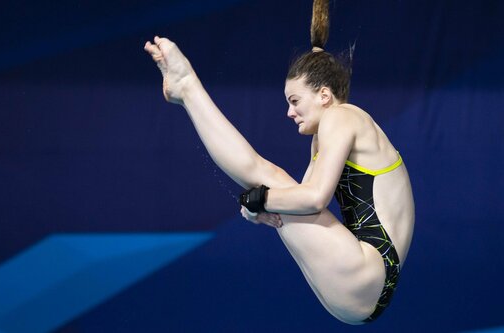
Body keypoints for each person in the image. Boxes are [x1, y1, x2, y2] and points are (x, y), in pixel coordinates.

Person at [143, 0, 414, 324]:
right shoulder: (329, 136)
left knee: (267, 176)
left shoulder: (342, 117)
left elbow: (313, 197)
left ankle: (187, 86)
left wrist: (260, 199)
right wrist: (265, 204)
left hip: (367, 272)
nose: (289, 112)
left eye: (295, 101)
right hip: (363, 288)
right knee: (270, 181)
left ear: (324, 96)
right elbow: (296, 200)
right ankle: (187, 90)